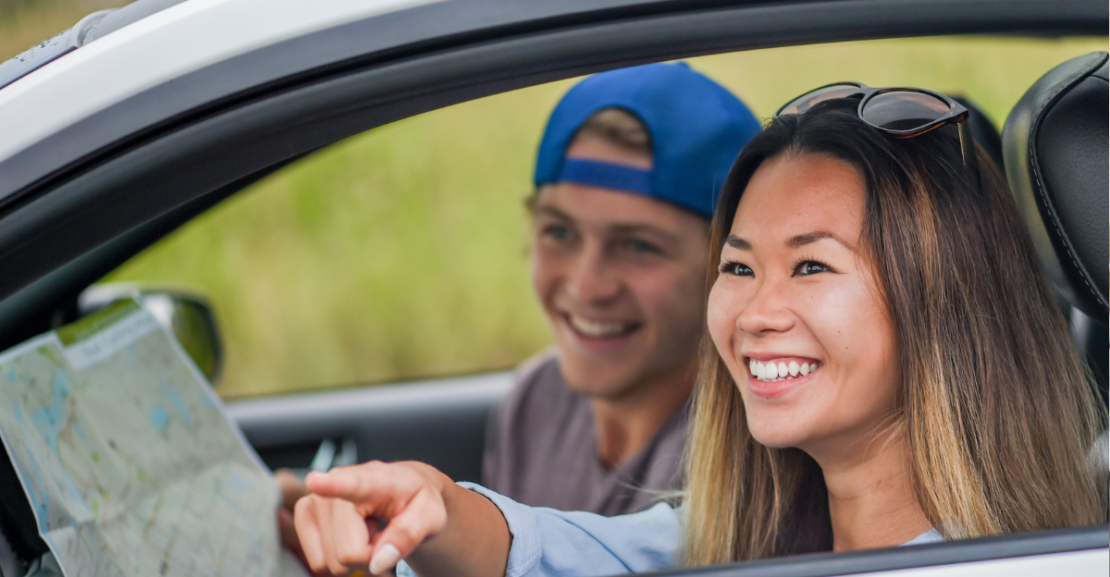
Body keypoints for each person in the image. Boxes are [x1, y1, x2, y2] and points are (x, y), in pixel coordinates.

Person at [290, 84, 1107, 577]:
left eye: (812, 267)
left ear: (945, 302)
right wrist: (427, 502)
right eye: (741, 266)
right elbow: (563, 552)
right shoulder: (757, 530)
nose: (755, 314)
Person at [483, 63, 760, 515]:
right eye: (559, 232)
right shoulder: (535, 402)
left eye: (637, 245)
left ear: (729, 268)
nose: (586, 285)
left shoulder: (746, 457)